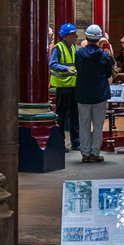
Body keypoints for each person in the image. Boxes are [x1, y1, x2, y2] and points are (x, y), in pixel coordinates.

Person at [73, 24, 114, 163]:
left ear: (86, 37)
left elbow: (78, 68)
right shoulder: (104, 56)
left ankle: (85, 153)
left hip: (82, 93)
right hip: (100, 94)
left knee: (83, 125)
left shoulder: (79, 54)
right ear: (99, 39)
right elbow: (108, 73)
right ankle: (95, 153)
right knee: (98, 126)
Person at [48, 23, 79, 154]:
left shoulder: (72, 47)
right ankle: (60, 143)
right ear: (66, 36)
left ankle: (76, 142)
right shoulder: (58, 48)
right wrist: (66, 68)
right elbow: (52, 64)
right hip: (62, 87)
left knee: (74, 116)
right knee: (61, 116)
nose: (76, 36)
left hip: (73, 85)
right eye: (73, 34)